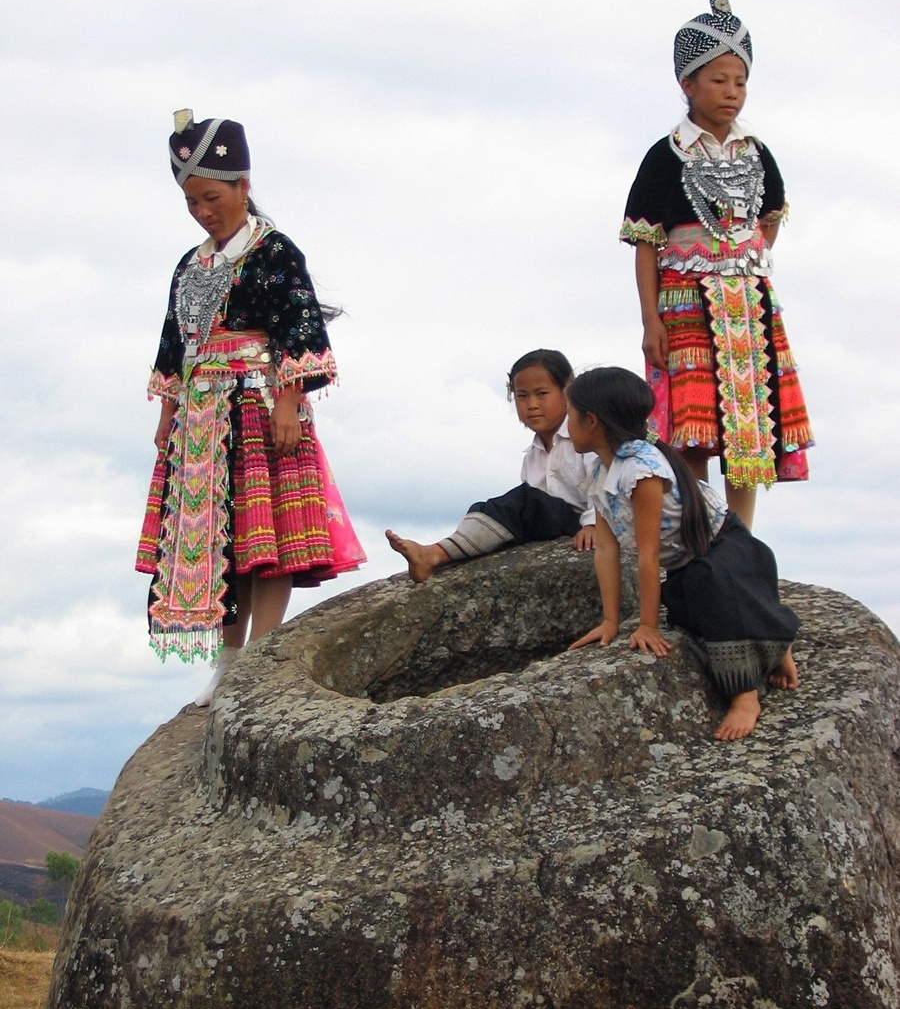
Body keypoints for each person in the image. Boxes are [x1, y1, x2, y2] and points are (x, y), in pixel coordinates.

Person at [136, 111, 365, 704]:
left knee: (269, 531)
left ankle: (260, 656)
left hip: (260, 402)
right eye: (191, 202)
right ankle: (227, 659)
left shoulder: (275, 251)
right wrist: (168, 414)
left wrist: (288, 402)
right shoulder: (190, 265)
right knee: (219, 539)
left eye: (211, 197)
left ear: (242, 185)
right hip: (201, 416)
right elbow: (173, 343)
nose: (202, 212)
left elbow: (301, 328)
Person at [620, 0, 814, 530]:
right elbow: (645, 244)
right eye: (719, 80)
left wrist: (739, 257)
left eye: (740, 82)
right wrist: (650, 319)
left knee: (748, 430)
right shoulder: (666, 156)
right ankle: (700, 534)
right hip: (684, 304)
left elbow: (768, 220)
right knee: (693, 432)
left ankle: (741, 542)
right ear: (688, 84)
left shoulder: (757, 153)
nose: (732, 92)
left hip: (748, 306)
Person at [567, 366, 799, 742]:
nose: (567, 424)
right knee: (683, 606)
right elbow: (607, 550)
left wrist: (647, 625)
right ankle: (774, 642)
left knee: (714, 595)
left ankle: (746, 693)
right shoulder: (601, 472)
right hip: (690, 564)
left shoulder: (642, 471)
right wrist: (611, 621)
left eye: (570, 414)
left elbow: (648, 553)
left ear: (591, 420)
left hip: (731, 554)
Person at [386, 349, 597, 582]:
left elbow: (603, 486)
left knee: (523, 502)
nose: (532, 404)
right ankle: (447, 552)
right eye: (522, 396)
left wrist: (593, 525)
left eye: (542, 393)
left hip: (581, 525)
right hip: (551, 529)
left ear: (568, 392)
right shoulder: (532, 456)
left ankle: (434, 554)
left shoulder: (585, 439)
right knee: (486, 509)